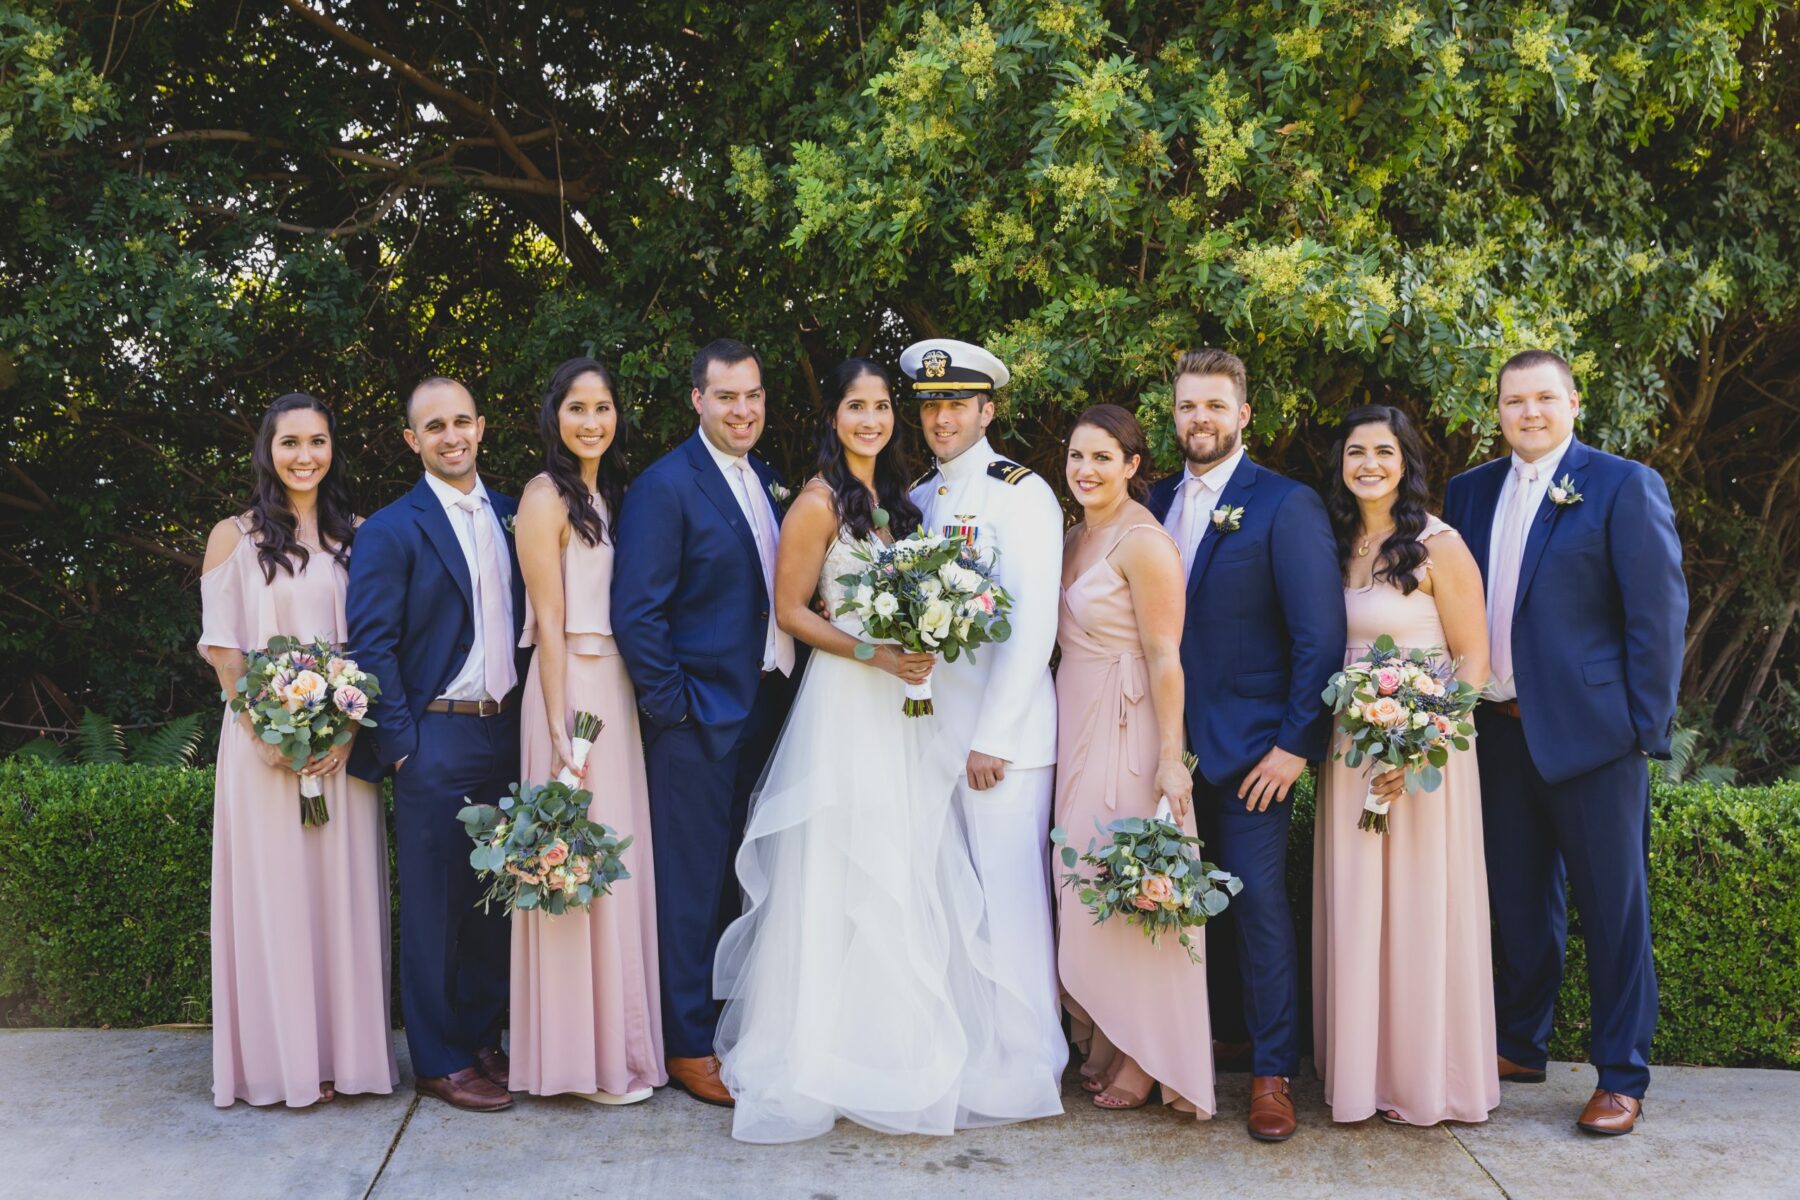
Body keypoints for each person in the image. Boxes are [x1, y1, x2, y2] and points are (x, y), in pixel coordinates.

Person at [715, 358, 1053, 1142]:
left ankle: (947, 1052)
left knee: (920, 879)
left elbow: (1014, 620)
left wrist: (937, 670)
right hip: (858, 704)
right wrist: (874, 656)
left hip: (925, 719)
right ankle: (833, 1050)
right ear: (832, 416)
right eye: (855, 406)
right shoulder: (826, 501)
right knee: (847, 870)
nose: (873, 419)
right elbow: (792, 611)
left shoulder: (914, 503)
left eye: (881, 406)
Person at [1444, 350, 1686, 1137]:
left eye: (1545, 398)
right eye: (1515, 401)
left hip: (1595, 740)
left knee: (1613, 911)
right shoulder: (1467, 492)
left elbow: (1656, 617)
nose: (1530, 413)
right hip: (1497, 731)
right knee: (1518, 903)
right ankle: (1520, 1041)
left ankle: (1622, 1073)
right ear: (1500, 411)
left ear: (1573, 401)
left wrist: (1642, 734)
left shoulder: (1621, 485)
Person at [1146, 348, 1344, 1142]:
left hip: (1257, 750)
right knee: (1169, 899)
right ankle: (1195, 1044)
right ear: (1174, 414)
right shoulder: (1152, 499)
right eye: (1189, 406)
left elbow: (1319, 636)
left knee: (1257, 902)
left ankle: (1272, 1072)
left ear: (1244, 416)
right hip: (1164, 744)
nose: (1201, 419)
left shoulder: (1285, 505)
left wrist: (1295, 745)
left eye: (1216, 406)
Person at [612, 338, 799, 1107]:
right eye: (727, 397)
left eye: (752, 396)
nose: (743, 410)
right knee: (688, 889)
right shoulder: (666, 485)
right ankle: (687, 1044)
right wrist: (674, 711)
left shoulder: (767, 479)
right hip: (697, 721)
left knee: (738, 882)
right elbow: (638, 612)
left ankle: (724, 1025)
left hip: (764, 710)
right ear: (697, 400)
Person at [200, 391, 397, 1109]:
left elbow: (374, 645)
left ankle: (346, 1058)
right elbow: (225, 652)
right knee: (277, 897)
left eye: (317, 441)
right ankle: (283, 1063)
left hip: (341, 749)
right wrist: (269, 736)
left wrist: (342, 732)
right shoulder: (235, 536)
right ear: (268, 450)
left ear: (332, 448)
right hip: (262, 751)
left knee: (340, 899)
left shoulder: (362, 536)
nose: (305, 455)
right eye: (290, 443)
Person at [1311, 405, 1499, 1127]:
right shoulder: (1336, 542)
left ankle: (1426, 1079)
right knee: (1359, 904)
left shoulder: (1438, 545)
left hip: (1426, 755)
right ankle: (1363, 1075)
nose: (1368, 464)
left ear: (1406, 460)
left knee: (1421, 905)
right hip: (1350, 745)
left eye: (1382, 451)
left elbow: (1473, 660)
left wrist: (1420, 743)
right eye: (1355, 451)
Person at [346, 377, 524, 1113]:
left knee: (497, 897)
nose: (451, 436)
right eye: (433, 427)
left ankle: (484, 1037)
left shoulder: (517, 514)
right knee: (433, 906)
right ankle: (439, 1057)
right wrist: (403, 747)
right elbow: (373, 646)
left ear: (481, 427)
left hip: (507, 727)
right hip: (437, 732)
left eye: (461, 422)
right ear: (412, 441)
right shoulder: (392, 528)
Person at [906, 338, 1069, 1114]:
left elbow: (1033, 627)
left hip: (999, 744)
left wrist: (993, 738)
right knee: (949, 904)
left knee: (1009, 904)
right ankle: (972, 1049)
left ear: (987, 410)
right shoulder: (917, 496)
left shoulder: (1020, 493)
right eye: (932, 404)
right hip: (931, 734)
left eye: (957, 404)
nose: (942, 417)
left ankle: (1030, 1059)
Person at [509, 356, 665, 1104]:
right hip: (570, 689)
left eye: (603, 407)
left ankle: (621, 1049)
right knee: (576, 862)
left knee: (615, 865)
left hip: (617, 690)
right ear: (554, 417)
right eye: (577, 408)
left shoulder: (608, 495)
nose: (592, 421)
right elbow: (545, 621)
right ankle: (580, 1058)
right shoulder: (545, 496)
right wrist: (561, 736)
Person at [1055, 405, 1213, 1118]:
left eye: (1101, 457)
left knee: (1129, 884)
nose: (1085, 470)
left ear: (1132, 466)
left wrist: (1172, 758)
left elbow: (1165, 655)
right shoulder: (1073, 536)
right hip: (1074, 719)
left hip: (1131, 728)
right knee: (1081, 880)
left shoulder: (1146, 543)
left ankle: (1147, 1058)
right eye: (1076, 456)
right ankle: (1109, 1035)